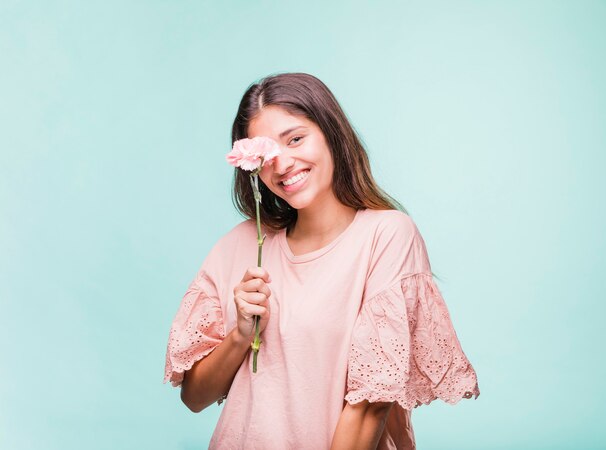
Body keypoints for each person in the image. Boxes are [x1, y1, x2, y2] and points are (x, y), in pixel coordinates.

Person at [163, 72, 480, 449]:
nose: (281, 165)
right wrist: (241, 336)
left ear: (331, 133)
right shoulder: (241, 245)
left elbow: (369, 407)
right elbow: (194, 398)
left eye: (296, 139)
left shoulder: (386, 235)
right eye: (265, 154)